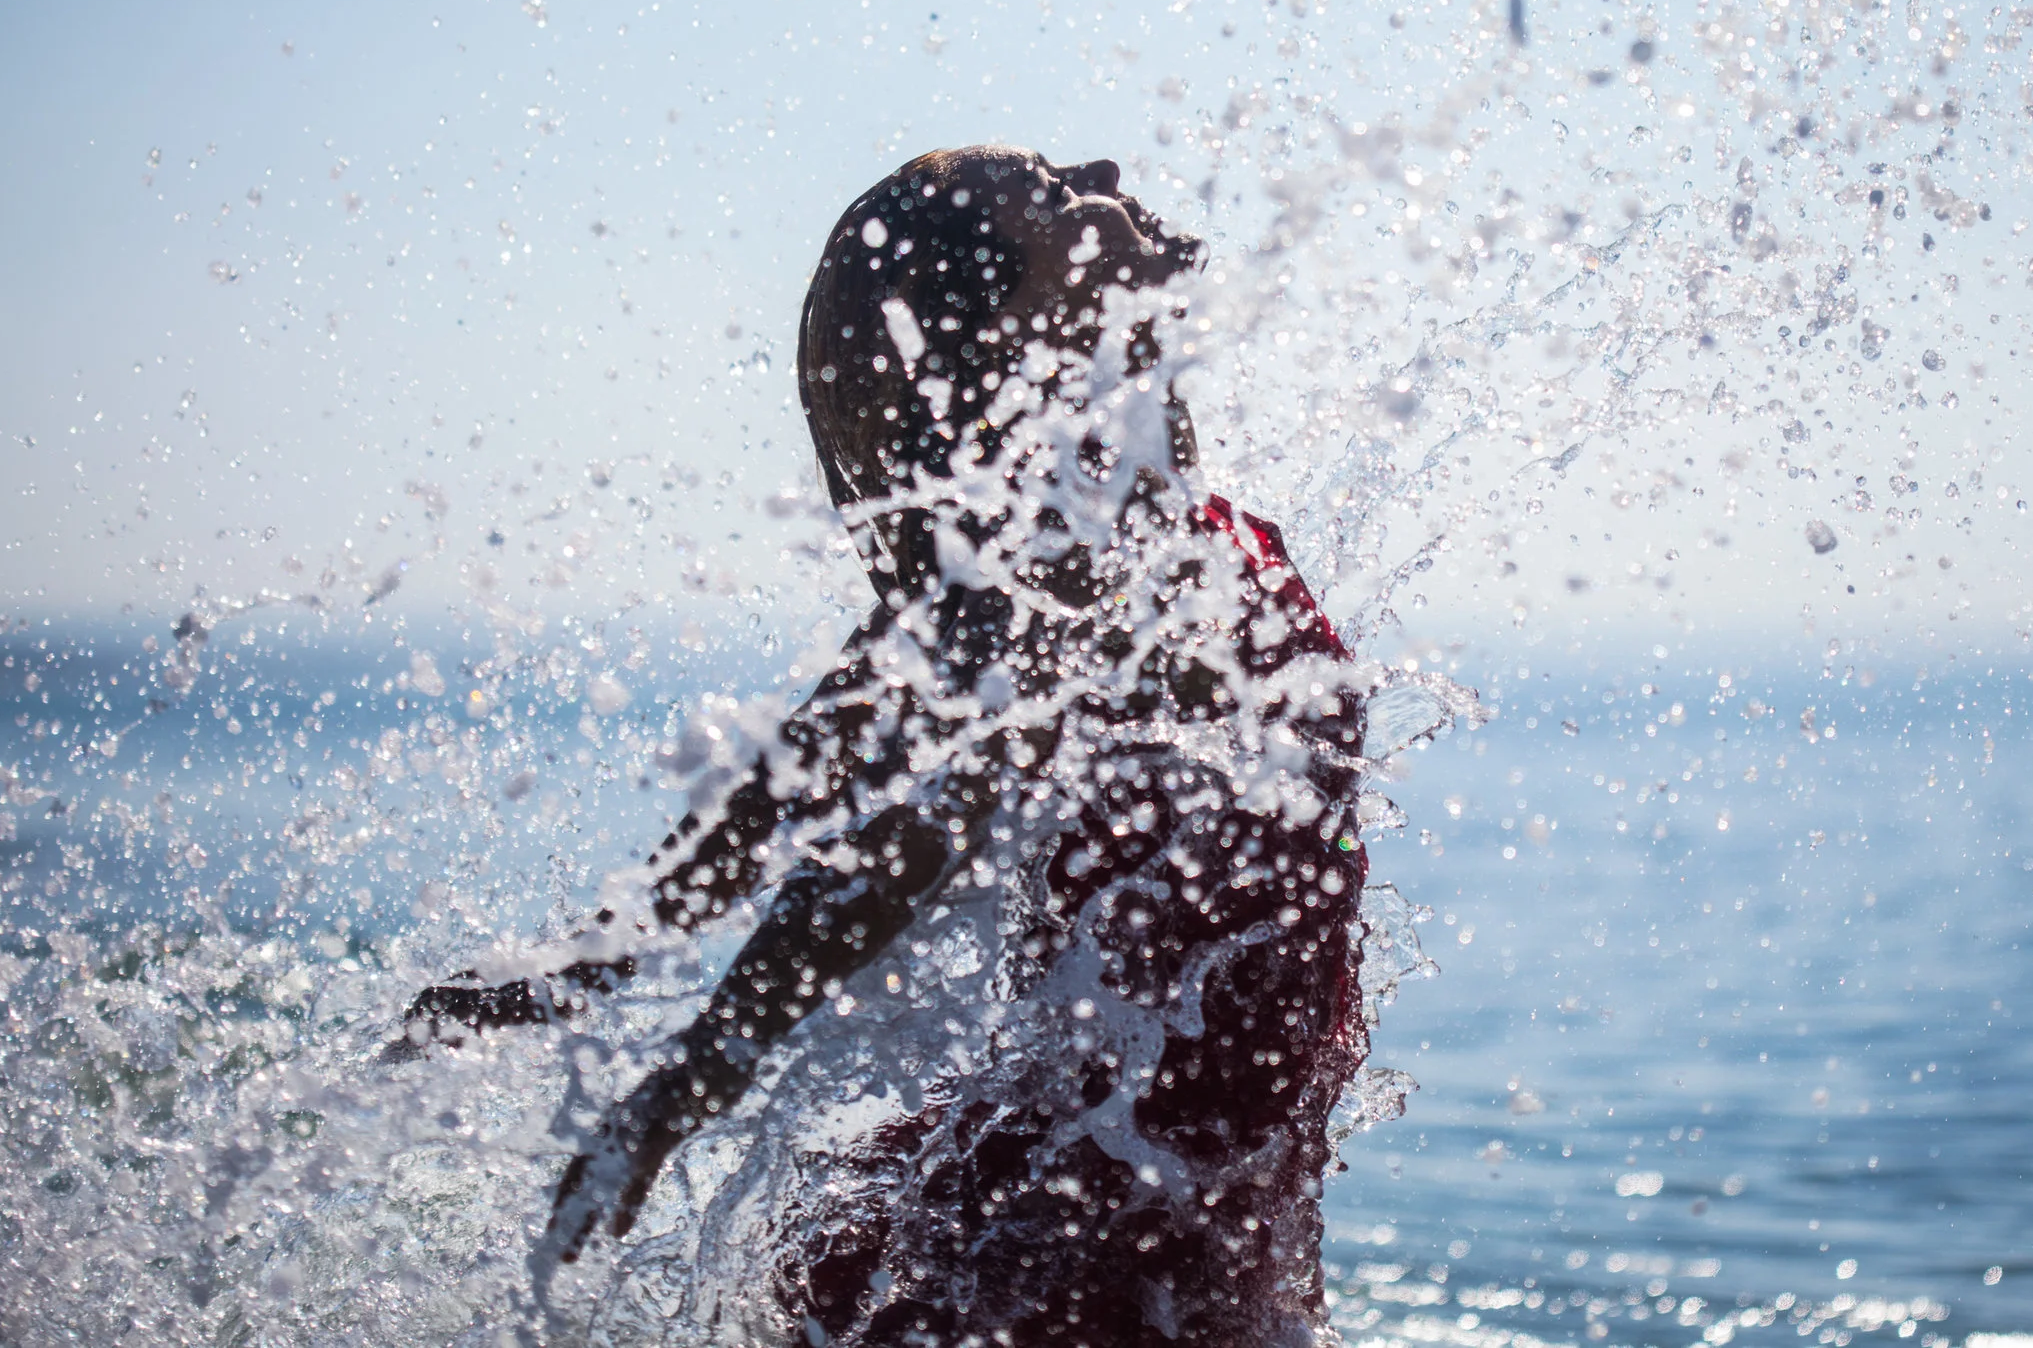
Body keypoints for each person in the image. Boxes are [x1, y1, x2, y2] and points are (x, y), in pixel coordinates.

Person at [394, 147, 1372, 1347]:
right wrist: (691, 1074)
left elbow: (837, 739)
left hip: (1141, 1168)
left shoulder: (1103, 515)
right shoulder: (1079, 559)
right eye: (1052, 189)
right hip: (1096, 1215)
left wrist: (610, 945)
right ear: (1019, 323)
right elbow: (909, 830)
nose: (1103, 167)